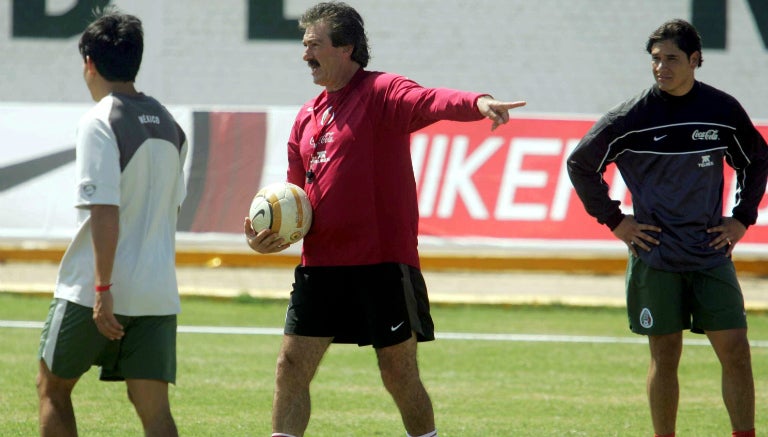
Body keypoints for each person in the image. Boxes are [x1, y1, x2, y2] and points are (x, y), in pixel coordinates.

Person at [243, 2, 525, 436]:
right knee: (290, 366)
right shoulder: (306, 117)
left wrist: (479, 102)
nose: (304, 55)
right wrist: (266, 234)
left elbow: (431, 100)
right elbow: (292, 201)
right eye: (304, 45)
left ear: (346, 48)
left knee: (398, 373)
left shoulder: (381, 93)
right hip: (320, 268)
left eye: (314, 45)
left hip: (380, 266)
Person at [567, 18, 768, 437]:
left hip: (711, 251)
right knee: (665, 355)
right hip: (655, 255)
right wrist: (616, 221)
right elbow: (580, 163)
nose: (661, 67)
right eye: (655, 60)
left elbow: (757, 159)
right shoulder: (630, 116)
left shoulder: (723, 110)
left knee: (736, 350)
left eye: (671, 58)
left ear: (695, 60)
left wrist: (741, 219)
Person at [36, 8, 187, 437]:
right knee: (155, 412)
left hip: (95, 291)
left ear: (89, 63)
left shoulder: (99, 120)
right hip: (157, 293)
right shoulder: (173, 126)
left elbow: (104, 209)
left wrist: (103, 289)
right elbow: (170, 211)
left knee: (52, 389)